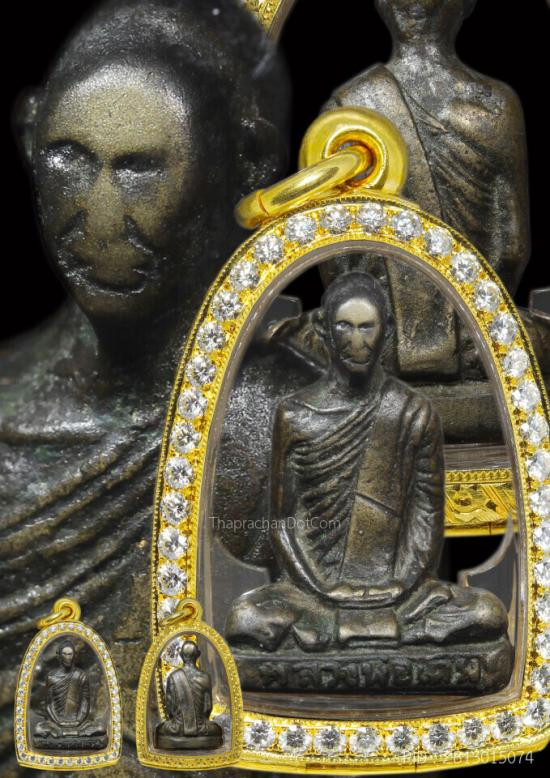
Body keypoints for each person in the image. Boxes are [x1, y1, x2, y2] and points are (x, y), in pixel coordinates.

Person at [226, 273, 509, 660]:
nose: (356, 341)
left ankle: (340, 640)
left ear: (386, 332)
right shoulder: (294, 415)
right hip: (314, 592)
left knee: (487, 612)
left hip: (400, 594)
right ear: (325, 331)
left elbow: (427, 515)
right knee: (245, 616)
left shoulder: (413, 412)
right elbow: (282, 523)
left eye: (366, 327)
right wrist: (323, 588)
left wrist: (401, 584)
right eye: (344, 326)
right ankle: (383, 641)